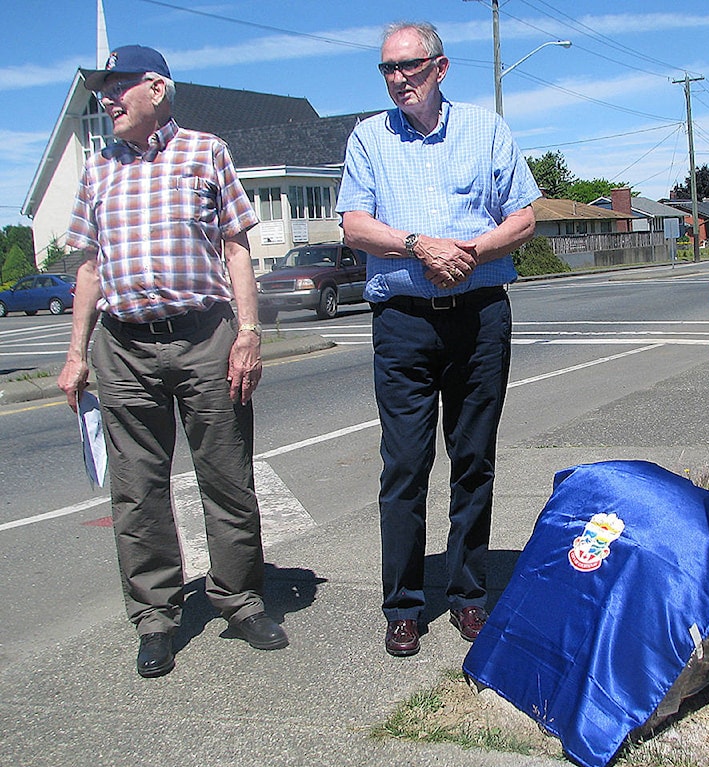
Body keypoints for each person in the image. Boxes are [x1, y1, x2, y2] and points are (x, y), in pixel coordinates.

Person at [58, 45, 288, 679]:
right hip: (123, 345)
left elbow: (236, 248)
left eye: (118, 86)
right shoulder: (98, 170)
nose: (107, 99)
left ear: (156, 89)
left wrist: (248, 333)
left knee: (226, 474)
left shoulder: (205, 152)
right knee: (136, 489)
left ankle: (239, 598)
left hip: (205, 337)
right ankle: (155, 616)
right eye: (102, 90)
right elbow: (88, 268)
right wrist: (76, 353)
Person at [336, 22, 540, 657]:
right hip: (403, 321)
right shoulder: (369, 138)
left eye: (411, 66)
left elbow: (524, 217)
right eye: (389, 69)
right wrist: (418, 245)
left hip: (479, 315)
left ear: (441, 67)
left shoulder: (487, 130)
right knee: (404, 464)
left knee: (473, 459)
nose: (400, 78)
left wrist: (471, 252)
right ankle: (402, 603)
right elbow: (355, 224)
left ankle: (469, 594)